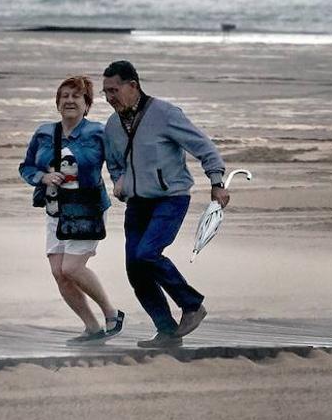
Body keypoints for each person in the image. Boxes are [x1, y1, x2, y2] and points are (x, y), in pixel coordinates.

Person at [101, 60, 229, 348]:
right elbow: (114, 163)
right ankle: (167, 332)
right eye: (105, 92)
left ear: (133, 86)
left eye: (114, 90)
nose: (110, 98)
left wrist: (216, 181)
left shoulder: (165, 113)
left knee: (147, 253)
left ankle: (192, 304)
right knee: (135, 268)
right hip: (137, 203)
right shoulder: (111, 125)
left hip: (171, 198)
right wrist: (119, 181)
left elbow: (202, 146)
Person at [19, 76, 124, 344]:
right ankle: (92, 327)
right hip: (55, 210)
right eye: (64, 96)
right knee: (59, 273)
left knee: (73, 267)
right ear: (57, 103)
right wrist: (42, 177)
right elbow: (27, 167)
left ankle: (112, 314)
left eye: (76, 96)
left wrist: (122, 184)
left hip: (88, 209)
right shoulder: (44, 132)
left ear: (87, 105)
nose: (69, 100)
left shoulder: (99, 133)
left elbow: (117, 164)